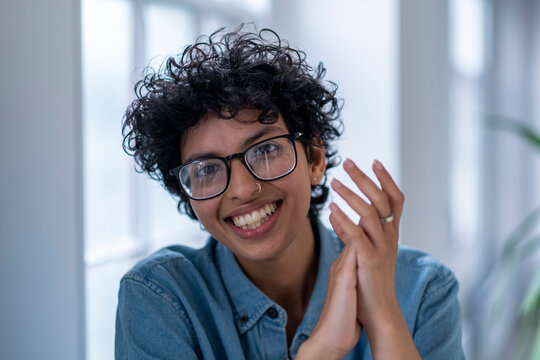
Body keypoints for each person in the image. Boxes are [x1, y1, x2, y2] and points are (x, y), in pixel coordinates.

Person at [116, 25, 464, 359]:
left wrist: (384, 316)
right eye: (206, 170)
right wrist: (321, 351)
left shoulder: (424, 289)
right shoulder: (159, 297)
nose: (242, 189)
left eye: (266, 151)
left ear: (314, 158)